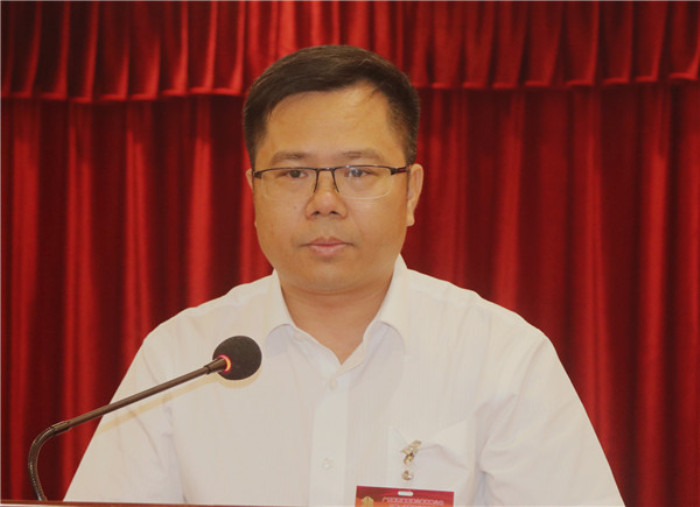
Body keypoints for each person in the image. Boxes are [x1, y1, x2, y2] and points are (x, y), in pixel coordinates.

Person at [65, 45, 623, 506]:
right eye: (293, 173)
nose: (324, 201)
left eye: (358, 171)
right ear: (253, 191)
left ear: (411, 191)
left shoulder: (503, 358)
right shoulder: (180, 359)